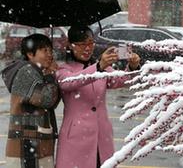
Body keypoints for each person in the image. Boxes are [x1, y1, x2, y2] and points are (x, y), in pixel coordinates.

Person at [55, 25, 140, 168]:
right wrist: (99, 67)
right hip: (76, 136)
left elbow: (120, 80)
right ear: (71, 45)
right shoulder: (64, 70)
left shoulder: (102, 67)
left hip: (102, 134)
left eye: (90, 44)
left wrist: (132, 67)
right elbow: (70, 83)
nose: (87, 48)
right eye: (82, 45)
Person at [1, 34, 60, 168]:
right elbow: (47, 99)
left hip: (36, 143)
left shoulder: (37, 71)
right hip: (26, 145)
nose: (50, 55)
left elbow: (53, 101)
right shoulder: (26, 72)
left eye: (51, 51)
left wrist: (49, 76)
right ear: (30, 54)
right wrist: (50, 75)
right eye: (44, 51)